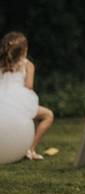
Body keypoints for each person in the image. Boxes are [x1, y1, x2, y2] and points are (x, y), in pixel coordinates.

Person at [0, 31, 54, 160]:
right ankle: (30, 149)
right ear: (25, 49)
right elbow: (29, 86)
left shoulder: (1, 65)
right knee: (48, 115)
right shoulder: (27, 64)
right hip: (18, 103)